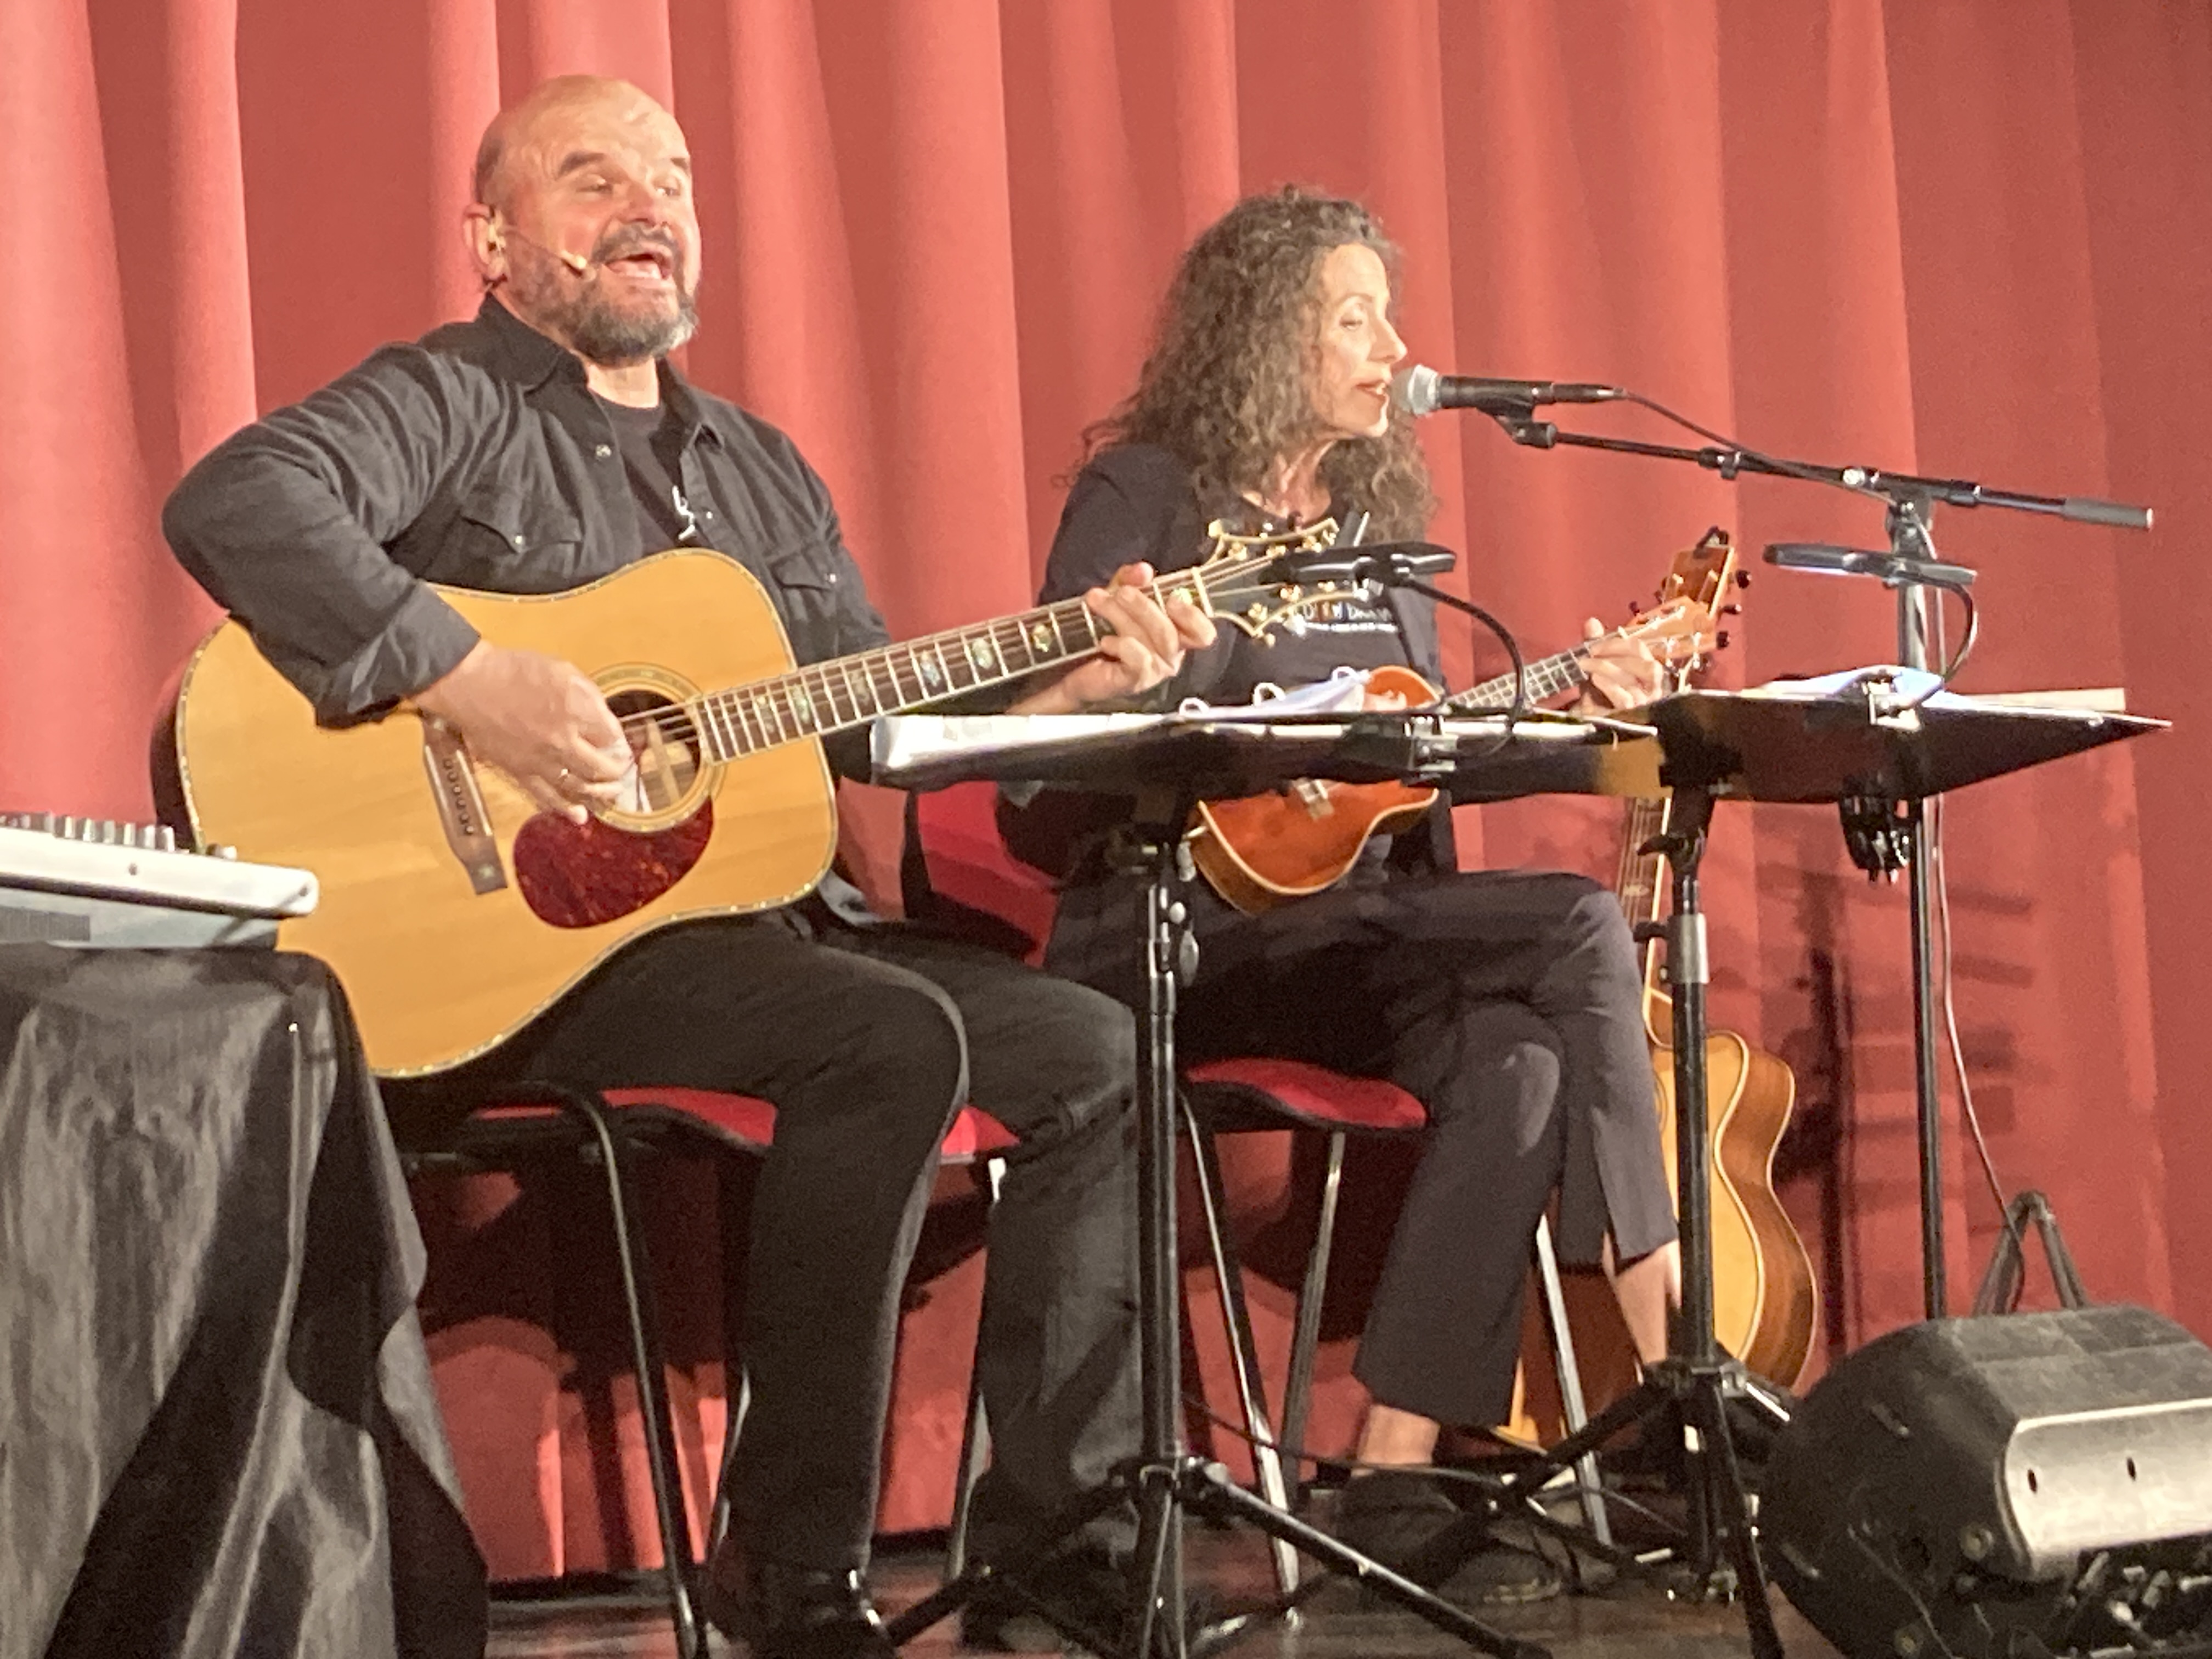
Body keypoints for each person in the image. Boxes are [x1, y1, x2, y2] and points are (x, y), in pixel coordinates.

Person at [162, 75, 1215, 1659]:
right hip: (517, 962)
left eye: (669, 178)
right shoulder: (449, 399)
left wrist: (1070, 687)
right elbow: (236, 500)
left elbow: (866, 722)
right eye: (593, 179)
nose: (646, 205)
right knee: (884, 1037)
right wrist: (470, 676)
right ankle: (791, 1577)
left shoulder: (759, 468)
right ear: (495, 238)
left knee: (1094, 1045)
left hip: (746, 936)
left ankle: (1062, 1541)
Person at [1006, 186, 1684, 1606]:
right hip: (1182, 930)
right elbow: (1052, 748)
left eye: (1390, 317)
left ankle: (1390, 1475)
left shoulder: (1380, 535)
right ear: (1266, 335)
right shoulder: (1147, 496)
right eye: (1356, 319)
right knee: (1571, 920)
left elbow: (1417, 774)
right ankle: (1677, 1347)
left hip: (1357, 938)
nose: (1394, 351)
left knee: (1517, 1057)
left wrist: (1571, 714)